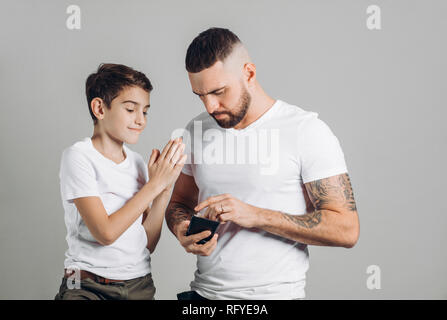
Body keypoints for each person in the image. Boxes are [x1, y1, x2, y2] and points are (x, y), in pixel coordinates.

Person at [166, 28, 360, 300]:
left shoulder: (306, 130)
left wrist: (255, 215)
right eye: (200, 95)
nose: (210, 106)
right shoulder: (196, 129)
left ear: (249, 73)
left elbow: (346, 229)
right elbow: (179, 203)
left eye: (219, 92)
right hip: (203, 297)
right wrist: (182, 228)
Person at [54, 63, 186, 300]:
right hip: (86, 285)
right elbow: (105, 233)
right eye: (130, 109)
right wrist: (153, 185)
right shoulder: (78, 157)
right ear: (99, 108)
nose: (140, 120)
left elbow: (147, 244)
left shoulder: (136, 163)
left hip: (139, 284)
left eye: (145, 111)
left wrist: (164, 190)